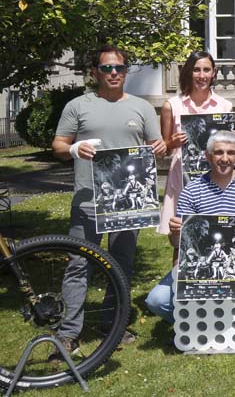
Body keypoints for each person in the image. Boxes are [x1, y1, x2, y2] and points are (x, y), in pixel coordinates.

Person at [51, 45, 166, 353]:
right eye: (106, 68)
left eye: (119, 68)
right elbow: (58, 145)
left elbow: (156, 145)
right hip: (88, 202)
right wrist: (74, 149)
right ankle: (68, 332)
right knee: (79, 264)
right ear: (95, 72)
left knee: (121, 264)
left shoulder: (142, 108)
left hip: (128, 204)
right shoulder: (78, 105)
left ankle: (112, 324)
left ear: (126, 71)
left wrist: (160, 147)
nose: (113, 73)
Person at [145, 131, 235, 323]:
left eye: (230, 153)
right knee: (156, 300)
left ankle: (218, 321)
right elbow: (176, 243)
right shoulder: (192, 190)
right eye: (219, 152)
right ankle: (193, 324)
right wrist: (176, 232)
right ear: (208, 156)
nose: (225, 158)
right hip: (201, 264)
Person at [158, 50, 235, 235]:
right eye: (196, 70)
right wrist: (171, 143)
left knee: (216, 229)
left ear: (214, 72)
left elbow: (227, 146)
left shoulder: (225, 106)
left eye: (206, 70)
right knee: (180, 233)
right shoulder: (172, 106)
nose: (202, 76)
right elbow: (164, 150)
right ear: (188, 72)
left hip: (216, 177)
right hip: (183, 176)